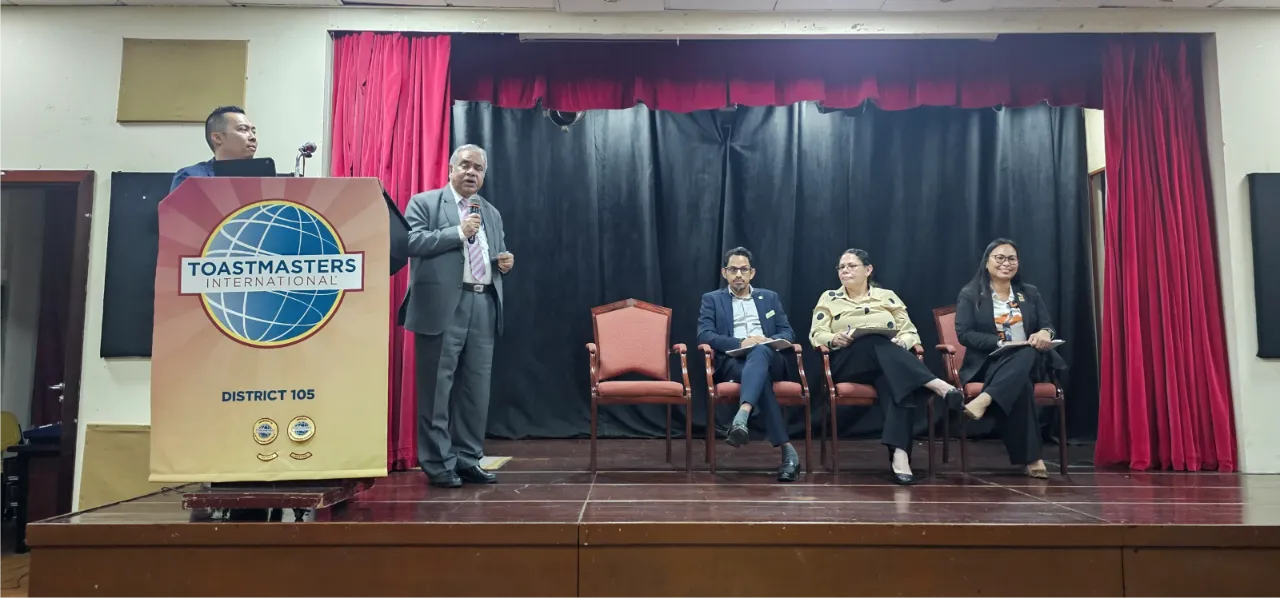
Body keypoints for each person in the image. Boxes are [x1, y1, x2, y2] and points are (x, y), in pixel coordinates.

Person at [399, 144, 514, 488]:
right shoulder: (425, 203)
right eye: (465, 165)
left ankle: (467, 459)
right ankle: (438, 464)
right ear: (451, 169)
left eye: (478, 168)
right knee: (436, 389)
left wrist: (502, 262)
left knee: (475, 391)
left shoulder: (490, 212)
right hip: (441, 305)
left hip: (483, 303)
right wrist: (458, 232)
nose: (471, 173)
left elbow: (493, 252)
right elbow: (409, 242)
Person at [809, 249, 962, 485]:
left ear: (868, 270)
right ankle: (936, 384)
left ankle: (900, 455)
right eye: (841, 267)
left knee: (896, 384)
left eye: (851, 266)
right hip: (847, 362)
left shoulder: (887, 297)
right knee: (872, 340)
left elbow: (910, 332)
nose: (845, 271)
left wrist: (902, 342)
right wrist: (834, 338)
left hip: (888, 364)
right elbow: (816, 334)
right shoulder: (829, 297)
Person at [953, 238, 1066, 479]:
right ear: (987, 262)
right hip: (990, 362)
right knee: (1021, 385)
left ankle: (986, 398)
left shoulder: (1029, 293)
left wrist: (1045, 334)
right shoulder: (970, 294)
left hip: (1029, 360)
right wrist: (1000, 343)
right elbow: (964, 334)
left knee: (1027, 350)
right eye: (1000, 258)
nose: (1006, 263)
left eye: (1012, 258)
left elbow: (1047, 326)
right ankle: (1032, 459)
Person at [697, 247, 802, 482]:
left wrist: (766, 340)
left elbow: (787, 332)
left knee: (761, 350)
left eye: (743, 270)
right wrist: (741, 342)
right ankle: (788, 452)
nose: (738, 274)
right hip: (734, 361)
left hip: (771, 359)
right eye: (733, 269)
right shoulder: (712, 299)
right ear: (724, 272)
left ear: (752, 273)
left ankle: (742, 414)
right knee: (759, 378)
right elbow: (704, 335)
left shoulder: (769, 297)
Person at [170, 106, 257, 192]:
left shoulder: (262, 177)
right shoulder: (190, 177)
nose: (253, 137)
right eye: (243, 129)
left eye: (253, 132)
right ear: (218, 138)